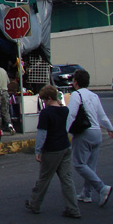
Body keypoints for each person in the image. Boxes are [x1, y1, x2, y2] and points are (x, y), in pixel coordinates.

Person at [25, 85, 80, 218]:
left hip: (52, 149)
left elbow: (42, 134)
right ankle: (73, 208)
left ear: (49, 98)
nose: (43, 102)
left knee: (44, 178)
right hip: (65, 146)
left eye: (44, 100)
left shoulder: (46, 113)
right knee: (67, 179)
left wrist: (38, 150)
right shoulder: (64, 110)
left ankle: (35, 203)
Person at [66, 69, 113, 207]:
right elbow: (102, 116)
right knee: (90, 166)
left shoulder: (76, 95)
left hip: (84, 133)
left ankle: (102, 188)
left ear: (75, 82)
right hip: (97, 133)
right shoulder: (94, 96)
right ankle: (86, 194)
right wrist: (110, 128)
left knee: (79, 164)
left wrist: (65, 132)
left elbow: (71, 115)